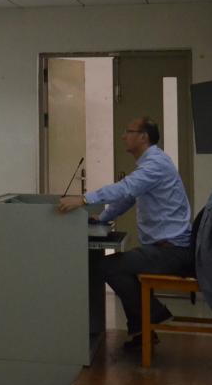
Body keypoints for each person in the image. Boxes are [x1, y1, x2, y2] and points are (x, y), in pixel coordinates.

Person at [58, 117, 192, 350]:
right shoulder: (151, 163)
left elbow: (126, 188)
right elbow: (129, 197)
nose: (123, 136)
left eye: (128, 131)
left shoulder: (155, 164)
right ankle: (143, 332)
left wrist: (83, 199)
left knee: (108, 266)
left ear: (143, 137)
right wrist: (103, 218)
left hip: (173, 251)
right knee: (118, 267)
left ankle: (154, 316)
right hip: (166, 248)